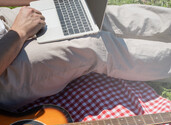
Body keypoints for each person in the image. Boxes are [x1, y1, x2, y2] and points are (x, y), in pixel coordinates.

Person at [0, 1, 171, 111]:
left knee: (89, 13)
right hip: (4, 68)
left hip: (4, 22)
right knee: (90, 45)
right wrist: (20, 32)